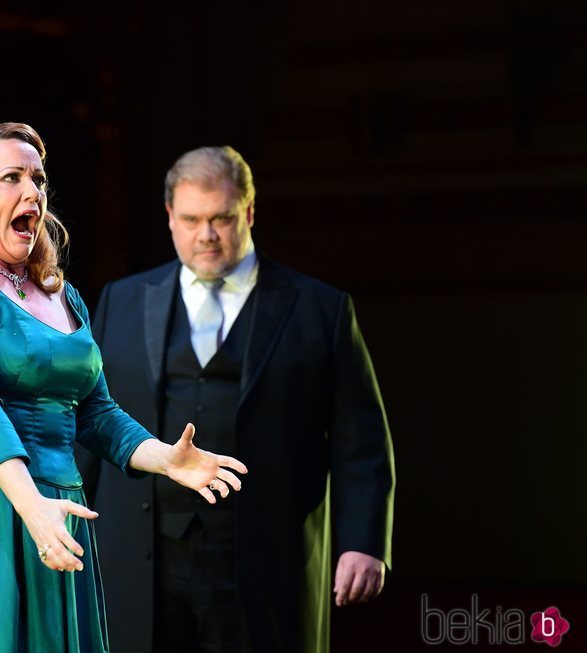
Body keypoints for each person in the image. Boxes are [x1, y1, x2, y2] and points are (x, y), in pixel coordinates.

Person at [0, 123, 248, 652]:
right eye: (11, 177)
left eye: (37, 177)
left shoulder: (62, 295)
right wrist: (31, 506)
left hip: (52, 505)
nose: (32, 191)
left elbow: (97, 413)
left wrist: (166, 459)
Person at [83, 146, 395, 653]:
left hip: (266, 552)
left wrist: (363, 541)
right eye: (191, 219)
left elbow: (361, 439)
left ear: (248, 213)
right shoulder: (122, 298)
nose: (206, 235)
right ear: (169, 218)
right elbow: (91, 417)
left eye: (222, 219)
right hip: (142, 553)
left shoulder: (320, 309)